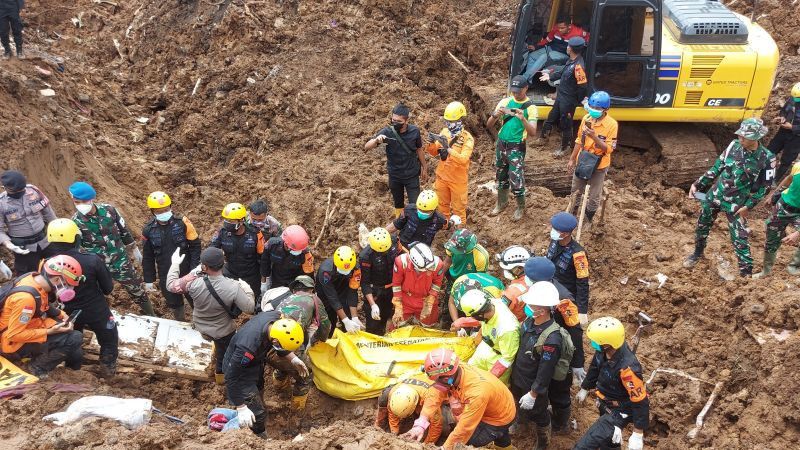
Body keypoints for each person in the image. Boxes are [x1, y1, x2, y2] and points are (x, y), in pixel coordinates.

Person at [685, 118, 776, 277]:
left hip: (737, 204)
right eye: (740, 135)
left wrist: (748, 206)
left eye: (744, 136)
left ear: (755, 138)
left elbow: (765, 187)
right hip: (715, 196)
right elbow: (717, 167)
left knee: (740, 239)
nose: (740, 138)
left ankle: (745, 275)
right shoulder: (733, 145)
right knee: (702, 226)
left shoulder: (767, 158)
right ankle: (697, 253)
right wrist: (698, 184)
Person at [167, 246, 255, 385]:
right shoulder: (233, 286)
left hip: (201, 326)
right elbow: (249, 308)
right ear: (223, 263)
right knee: (225, 354)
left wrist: (175, 264)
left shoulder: (193, 283)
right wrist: (248, 290)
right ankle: (221, 379)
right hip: (223, 331)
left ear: (204, 266)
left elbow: (171, 285)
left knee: (219, 348)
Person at [69, 181, 155, 316]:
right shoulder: (75, 222)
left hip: (120, 261)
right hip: (97, 266)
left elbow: (123, 230)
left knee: (137, 289)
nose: (80, 205)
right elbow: (77, 248)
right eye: (76, 202)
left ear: (91, 199)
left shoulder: (109, 210)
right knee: (97, 294)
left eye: (82, 202)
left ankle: (151, 314)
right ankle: (104, 317)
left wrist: (133, 248)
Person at [46, 218, 118, 378]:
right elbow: (108, 289)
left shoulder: (47, 264)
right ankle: (108, 367)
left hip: (67, 311)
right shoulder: (92, 260)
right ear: (76, 238)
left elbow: (49, 295)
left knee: (72, 337)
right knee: (109, 336)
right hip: (96, 309)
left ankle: (73, 369)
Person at [405, 348, 516, 450]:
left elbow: (464, 429)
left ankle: (499, 434)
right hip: (499, 404)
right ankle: (505, 445)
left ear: (447, 378)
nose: (436, 384)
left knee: (465, 443)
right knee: (499, 436)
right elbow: (434, 395)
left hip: (499, 417)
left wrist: (445, 448)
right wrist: (420, 424)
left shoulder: (477, 392)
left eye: (438, 380)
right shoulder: (454, 369)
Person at [512, 281, 575, 450]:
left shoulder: (552, 338)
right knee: (518, 402)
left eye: (531, 305)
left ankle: (543, 442)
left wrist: (533, 393)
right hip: (519, 375)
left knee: (540, 414)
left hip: (533, 383)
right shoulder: (529, 322)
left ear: (542, 310)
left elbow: (545, 371)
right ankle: (521, 423)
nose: (527, 306)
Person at [222, 312, 306, 436]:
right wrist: (241, 407)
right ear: (275, 340)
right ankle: (260, 437)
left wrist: (293, 358)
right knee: (257, 413)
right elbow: (231, 376)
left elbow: (279, 345)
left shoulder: (276, 319)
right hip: (240, 372)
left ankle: (258, 407)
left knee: (259, 386)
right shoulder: (247, 347)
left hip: (255, 362)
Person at [0, 255, 84, 378]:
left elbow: (42, 303)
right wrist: (49, 331)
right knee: (75, 338)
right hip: (10, 343)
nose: (69, 289)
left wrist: (61, 314)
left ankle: (71, 365)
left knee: (72, 343)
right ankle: (36, 367)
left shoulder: (33, 278)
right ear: (56, 280)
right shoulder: (25, 300)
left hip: (24, 326)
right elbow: (14, 335)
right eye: (67, 285)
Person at [574, 317, 648, 450]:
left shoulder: (628, 369)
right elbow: (595, 368)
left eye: (595, 341)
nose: (592, 343)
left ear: (607, 344)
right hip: (604, 403)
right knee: (609, 441)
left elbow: (640, 400)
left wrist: (638, 433)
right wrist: (585, 388)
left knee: (583, 446)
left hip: (619, 411)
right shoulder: (603, 351)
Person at [262, 275, 330, 412]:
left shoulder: (285, 299)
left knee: (283, 364)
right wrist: (321, 340)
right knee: (306, 375)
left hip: (268, 348)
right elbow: (325, 325)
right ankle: (297, 411)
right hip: (289, 348)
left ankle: (280, 388)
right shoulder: (313, 299)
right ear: (311, 289)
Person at [523, 257, 586, 388]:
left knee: (559, 384)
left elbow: (575, 330)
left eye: (528, 277)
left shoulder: (563, 299)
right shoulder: (536, 289)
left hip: (558, 343)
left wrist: (577, 363)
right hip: (541, 338)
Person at [141, 191, 201, 321]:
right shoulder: (148, 230)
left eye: (166, 209)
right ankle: (180, 322)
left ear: (170, 207)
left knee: (195, 297)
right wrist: (149, 279)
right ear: (152, 212)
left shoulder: (183, 223)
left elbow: (195, 246)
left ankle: (201, 320)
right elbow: (148, 257)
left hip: (186, 269)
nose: (163, 213)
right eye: (159, 211)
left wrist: (194, 268)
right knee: (174, 302)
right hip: (166, 273)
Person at [486, 75, 539, 221]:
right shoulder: (505, 102)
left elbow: (533, 132)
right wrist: (496, 114)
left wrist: (522, 118)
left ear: (526, 88)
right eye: (514, 91)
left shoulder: (531, 108)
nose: (515, 94)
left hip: (516, 146)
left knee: (516, 178)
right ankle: (501, 203)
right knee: (501, 175)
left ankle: (520, 207)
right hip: (501, 144)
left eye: (518, 91)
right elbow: (489, 125)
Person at [364, 102, 428, 218]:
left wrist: (425, 167)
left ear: (406, 121)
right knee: (398, 205)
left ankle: (414, 225)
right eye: (393, 120)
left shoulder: (415, 132)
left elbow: (419, 149)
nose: (395, 123)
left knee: (415, 205)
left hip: (411, 175)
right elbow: (366, 147)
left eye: (399, 122)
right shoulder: (387, 132)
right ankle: (400, 224)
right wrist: (376, 141)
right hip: (395, 176)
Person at [566, 91, 618, 227]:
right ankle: (572, 215)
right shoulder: (586, 119)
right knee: (576, 190)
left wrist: (594, 137)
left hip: (599, 164)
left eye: (598, 109)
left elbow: (609, 149)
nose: (594, 111)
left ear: (605, 109)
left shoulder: (612, 125)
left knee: (594, 195)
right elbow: (579, 140)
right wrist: (572, 159)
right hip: (583, 159)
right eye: (592, 107)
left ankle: (588, 219)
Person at [424, 101, 475, 223]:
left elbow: (463, 159)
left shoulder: (467, 138)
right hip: (442, 177)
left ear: (460, 120)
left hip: (458, 180)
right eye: (448, 121)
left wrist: (449, 150)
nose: (449, 124)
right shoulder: (445, 132)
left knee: (458, 210)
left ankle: (460, 234)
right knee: (442, 206)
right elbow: (434, 152)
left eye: (452, 122)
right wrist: (430, 143)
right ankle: (444, 227)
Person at [539, 36, 589, 157]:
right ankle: (543, 139)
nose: (567, 47)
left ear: (570, 49)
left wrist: (577, 100)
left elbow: (583, 87)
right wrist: (550, 77)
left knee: (566, 124)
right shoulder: (571, 61)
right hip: (561, 97)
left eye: (568, 46)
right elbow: (562, 72)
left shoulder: (578, 66)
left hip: (568, 100)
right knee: (551, 117)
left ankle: (565, 148)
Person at [459, 289, 520, 385]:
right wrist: (462, 322)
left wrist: (490, 378)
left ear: (479, 315)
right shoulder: (492, 303)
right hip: (486, 346)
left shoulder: (508, 328)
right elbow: (482, 321)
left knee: (493, 387)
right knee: (469, 374)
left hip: (499, 358)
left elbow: (506, 359)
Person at [0, 170, 56, 274]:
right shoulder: (2, 203)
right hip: (24, 249)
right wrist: (9, 244)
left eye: (22, 190)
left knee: (56, 268)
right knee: (29, 276)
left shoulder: (33, 191)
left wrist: (58, 227)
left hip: (46, 241)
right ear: (5, 188)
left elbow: (48, 212)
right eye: (15, 192)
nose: (20, 193)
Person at [210, 203, 266, 300]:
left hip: (251, 276)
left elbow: (263, 258)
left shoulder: (255, 234)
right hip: (231, 274)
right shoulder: (221, 232)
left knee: (252, 301)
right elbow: (211, 251)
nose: (227, 223)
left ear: (241, 220)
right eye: (226, 220)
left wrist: (264, 281)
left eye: (231, 221)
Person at [755, 160, 800, 277]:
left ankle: (793, 266)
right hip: (783, 206)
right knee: (772, 238)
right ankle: (766, 271)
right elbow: (789, 179)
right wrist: (774, 194)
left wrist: (797, 233)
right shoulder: (798, 167)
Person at [546, 212, 590, 326]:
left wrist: (582, 310)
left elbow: (583, 283)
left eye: (556, 230)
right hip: (551, 288)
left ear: (565, 234)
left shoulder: (578, 254)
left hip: (566, 297)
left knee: (566, 325)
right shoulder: (554, 241)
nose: (552, 231)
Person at [375, 373, 443, 443]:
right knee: (384, 395)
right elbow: (392, 412)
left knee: (445, 420)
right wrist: (394, 433)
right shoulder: (394, 392)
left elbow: (436, 426)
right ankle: (378, 427)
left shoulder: (431, 400)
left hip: (440, 395)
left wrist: (427, 444)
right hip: (418, 389)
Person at [441, 229, 488, 329]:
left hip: (470, 283)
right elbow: (447, 262)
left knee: (467, 306)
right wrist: (439, 276)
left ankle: (466, 323)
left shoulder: (481, 256)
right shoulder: (452, 246)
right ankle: (447, 319)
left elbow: (480, 278)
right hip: (453, 277)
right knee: (449, 301)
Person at [390, 242, 444, 329]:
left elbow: (437, 284)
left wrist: (429, 302)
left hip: (426, 299)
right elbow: (396, 284)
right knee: (397, 324)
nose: (429, 272)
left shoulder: (438, 264)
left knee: (428, 326)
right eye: (426, 270)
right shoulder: (401, 262)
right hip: (405, 300)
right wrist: (398, 306)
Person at [521, 16, 590, 83]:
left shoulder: (578, 32)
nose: (559, 30)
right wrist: (536, 46)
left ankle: (524, 79)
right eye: (558, 27)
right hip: (551, 48)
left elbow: (589, 38)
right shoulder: (555, 28)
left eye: (562, 28)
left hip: (564, 54)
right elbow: (547, 40)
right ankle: (529, 82)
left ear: (569, 26)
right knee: (532, 56)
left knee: (544, 57)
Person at [359, 227, 400, 335]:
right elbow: (365, 283)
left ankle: (382, 332)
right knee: (373, 323)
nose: (385, 252)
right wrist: (372, 304)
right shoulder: (366, 256)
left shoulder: (394, 241)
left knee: (386, 314)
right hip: (376, 290)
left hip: (392, 288)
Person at [315, 245, 363, 335]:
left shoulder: (356, 268)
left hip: (343, 290)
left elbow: (353, 291)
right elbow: (332, 297)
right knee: (329, 321)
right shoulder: (325, 271)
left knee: (349, 317)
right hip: (326, 293)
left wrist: (354, 317)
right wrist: (345, 320)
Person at [386, 190, 451, 250]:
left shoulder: (439, 220)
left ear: (434, 209)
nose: (422, 212)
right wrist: (383, 232)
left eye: (426, 211)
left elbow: (447, 225)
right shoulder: (409, 210)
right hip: (402, 246)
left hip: (421, 251)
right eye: (419, 209)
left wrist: (453, 221)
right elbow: (396, 225)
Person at [260, 225, 313, 291]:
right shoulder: (272, 245)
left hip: (294, 283)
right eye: (295, 250)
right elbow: (265, 263)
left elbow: (308, 274)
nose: (299, 252)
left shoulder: (305, 254)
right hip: (276, 280)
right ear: (286, 244)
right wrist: (264, 283)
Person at [767, 82, 800, 183]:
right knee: (769, 152)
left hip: (796, 138)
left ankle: (775, 180)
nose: (795, 100)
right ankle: (763, 173)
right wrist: (782, 117)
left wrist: (793, 127)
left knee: (786, 160)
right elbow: (784, 110)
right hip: (783, 131)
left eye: (797, 98)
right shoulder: (792, 98)